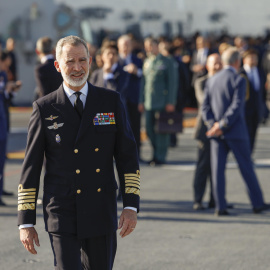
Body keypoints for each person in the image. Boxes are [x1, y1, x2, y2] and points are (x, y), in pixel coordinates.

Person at [18, 35, 140, 270]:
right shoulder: (44, 108)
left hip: (100, 207)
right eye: (70, 61)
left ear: (91, 61)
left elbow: (127, 156)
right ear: (57, 65)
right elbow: (31, 167)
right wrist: (26, 221)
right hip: (62, 210)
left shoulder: (110, 101)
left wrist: (130, 205)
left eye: (82, 60)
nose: (77, 68)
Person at [201, 47, 269, 216]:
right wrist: (222, 124)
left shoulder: (212, 80)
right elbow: (237, 106)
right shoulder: (239, 80)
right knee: (246, 167)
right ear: (238, 62)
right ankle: (257, 203)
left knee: (217, 170)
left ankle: (220, 206)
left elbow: (205, 107)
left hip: (216, 133)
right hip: (235, 131)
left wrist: (213, 124)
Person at [139, 38, 177, 165]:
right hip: (149, 101)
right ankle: (156, 152)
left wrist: (171, 101)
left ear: (157, 46)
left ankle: (160, 156)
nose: (148, 48)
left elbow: (172, 83)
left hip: (162, 101)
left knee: (162, 130)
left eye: (150, 45)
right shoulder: (147, 62)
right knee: (149, 129)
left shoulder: (167, 61)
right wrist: (141, 100)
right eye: (146, 46)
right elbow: (143, 83)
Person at [192, 53, 222, 210]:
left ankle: (215, 199)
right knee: (203, 165)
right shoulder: (201, 82)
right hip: (204, 129)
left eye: (219, 63)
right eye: (214, 63)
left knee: (218, 166)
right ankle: (198, 199)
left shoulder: (225, 81)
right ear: (207, 65)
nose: (217, 66)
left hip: (221, 128)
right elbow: (204, 101)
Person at [117, 35, 143, 159]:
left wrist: (136, 71)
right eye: (123, 45)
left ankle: (137, 153)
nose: (126, 47)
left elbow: (143, 75)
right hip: (119, 98)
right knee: (120, 127)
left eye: (128, 44)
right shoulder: (116, 60)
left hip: (133, 98)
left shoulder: (137, 59)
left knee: (135, 126)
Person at [239, 49, 267, 152]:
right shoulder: (241, 73)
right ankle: (245, 154)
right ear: (244, 59)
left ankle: (249, 154)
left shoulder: (260, 72)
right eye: (251, 58)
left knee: (253, 134)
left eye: (255, 58)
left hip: (257, 110)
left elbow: (262, 92)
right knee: (244, 134)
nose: (253, 60)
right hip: (244, 111)